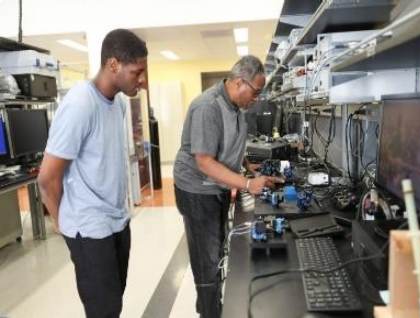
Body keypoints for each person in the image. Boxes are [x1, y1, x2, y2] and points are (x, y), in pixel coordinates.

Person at [37, 29, 147, 318]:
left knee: (114, 303)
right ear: (113, 65)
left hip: (117, 221)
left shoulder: (119, 104)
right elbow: (47, 178)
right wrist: (66, 227)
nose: (143, 80)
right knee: (103, 310)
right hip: (89, 228)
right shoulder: (80, 104)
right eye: (137, 72)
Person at [173, 55, 280, 318]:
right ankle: (209, 312)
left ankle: (210, 305)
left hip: (216, 186)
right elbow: (205, 162)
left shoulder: (236, 107)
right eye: (255, 91)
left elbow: (232, 141)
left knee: (217, 249)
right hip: (197, 189)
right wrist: (246, 183)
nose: (257, 98)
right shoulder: (207, 107)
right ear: (240, 82)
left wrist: (247, 167)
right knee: (207, 260)